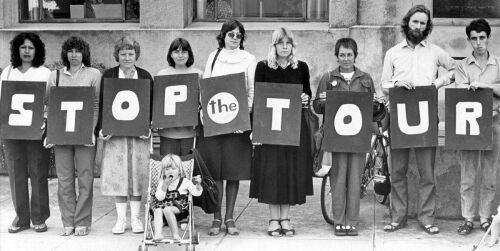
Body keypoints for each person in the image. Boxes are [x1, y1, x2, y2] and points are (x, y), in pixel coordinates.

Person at [380, 5, 455, 234]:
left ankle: (427, 218)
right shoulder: (393, 53)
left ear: (427, 27)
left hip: (425, 115)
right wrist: (395, 84)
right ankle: (398, 217)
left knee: (426, 172)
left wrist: (437, 84)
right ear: (407, 23)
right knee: (398, 171)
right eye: (415, 22)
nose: (419, 27)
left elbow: (456, 69)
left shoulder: (434, 51)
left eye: (423, 23)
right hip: (399, 116)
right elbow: (383, 84)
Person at [249, 27, 313, 237]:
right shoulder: (263, 66)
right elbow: (259, 97)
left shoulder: (301, 67)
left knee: (289, 171)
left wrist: (305, 99)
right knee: (272, 171)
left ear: (292, 45)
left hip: (293, 127)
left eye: (288, 43)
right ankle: (273, 219)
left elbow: (307, 94)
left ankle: (285, 218)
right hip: (270, 127)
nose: (285, 47)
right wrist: (255, 129)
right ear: (274, 45)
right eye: (280, 43)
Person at [197, 19, 256, 236]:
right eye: (230, 34)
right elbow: (207, 88)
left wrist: (243, 117)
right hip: (215, 121)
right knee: (215, 172)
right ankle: (216, 217)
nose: (234, 38)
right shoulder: (214, 57)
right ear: (223, 35)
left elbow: (251, 92)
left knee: (233, 172)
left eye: (238, 35)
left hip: (237, 126)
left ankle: (230, 217)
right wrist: (204, 111)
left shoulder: (249, 59)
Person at [313, 37, 375, 236]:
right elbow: (317, 106)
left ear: (355, 56)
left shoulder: (365, 79)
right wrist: (323, 101)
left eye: (349, 55)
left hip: (358, 136)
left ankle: (352, 221)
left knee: (355, 178)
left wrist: (377, 104)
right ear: (336, 57)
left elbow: (372, 110)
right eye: (342, 55)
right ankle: (339, 220)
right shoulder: (328, 78)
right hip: (336, 136)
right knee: (338, 179)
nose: (346, 59)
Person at [46, 36, 101, 236]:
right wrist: (49, 132)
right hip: (62, 133)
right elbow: (50, 105)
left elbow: (96, 105)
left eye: (78, 51)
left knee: (86, 178)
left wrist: (92, 130)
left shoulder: (94, 74)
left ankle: (83, 220)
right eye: (71, 51)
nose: (75, 55)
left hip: (85, 133)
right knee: (64, 179)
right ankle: (68, 220)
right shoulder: (55, 76)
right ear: (65, 53)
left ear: (84, 53)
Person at [98, 36, 153, 234]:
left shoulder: (145, 75)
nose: (127, 57)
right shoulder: (109, 75)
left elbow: (150, 105)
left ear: (136, 55)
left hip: (139, 135)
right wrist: (101, 129)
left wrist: (149, 127)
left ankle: (136, 218)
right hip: (116, 134)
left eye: (131, 53)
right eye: (123, 54)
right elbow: (103, 103)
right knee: (118, 174)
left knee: (137, 174)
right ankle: (121, 219)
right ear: (117, 55)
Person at [0, 32, 51, 233]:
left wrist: (45, 122)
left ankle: (39, 217)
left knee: (38, 173)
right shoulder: (8, 72)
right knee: (16, 173)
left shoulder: (44, 73)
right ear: (17, 50)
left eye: (31, 47)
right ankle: (21, 218)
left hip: (35, 131)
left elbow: (50, 102)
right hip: (12, 132)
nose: (27, 51)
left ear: (37, 50)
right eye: (23, 47)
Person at [454, 19, 500, 236]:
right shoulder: (462, 66)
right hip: (469, 125)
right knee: (468, 174)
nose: (479, 43)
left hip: (493, 122)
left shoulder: (498, 64)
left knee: (490, 174)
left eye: (482, 38)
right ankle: (468, 218)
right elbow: (460, 93)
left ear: (488, 38)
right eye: (474, 38)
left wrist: (485, 86)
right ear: (469, 40)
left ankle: (485, 217)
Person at [157, 38, 203, 156]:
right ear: (171, 54)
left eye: (184, 51)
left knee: (188, 168)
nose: (180, 55)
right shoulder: (162, 75)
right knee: (169, 168)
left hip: (190, 132)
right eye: (176, 51)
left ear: (189, 54)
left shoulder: (198, 74)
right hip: (168, 132)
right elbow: (158, 103)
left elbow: (202, 102)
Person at [152, 154, 202, 240]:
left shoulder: (185, 182)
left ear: (179, 171)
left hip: (180, 210)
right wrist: (164, 186)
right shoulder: (162, 182)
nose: (170, 172)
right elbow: (159, 198)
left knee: (168, 209)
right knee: (157, 210)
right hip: (163, 208)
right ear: (163, 171)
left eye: (173, 169)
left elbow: (196, 193)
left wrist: (198, 184)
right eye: (167, 169)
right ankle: (158, 234)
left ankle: (175, 235)